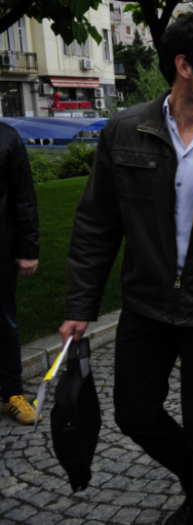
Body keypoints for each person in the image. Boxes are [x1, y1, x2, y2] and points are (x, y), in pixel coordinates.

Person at [59, 13, 193, 525]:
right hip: (146, 304)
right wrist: (79, 307)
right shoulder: (125, 132)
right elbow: (96, 225)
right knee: (134, 413)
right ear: (184, 66)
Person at [0, 121, 41, 426]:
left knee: (4, 321)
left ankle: (12, 394)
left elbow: (23, 197)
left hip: (0, 251)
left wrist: (28, 249)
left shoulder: (7, 137)